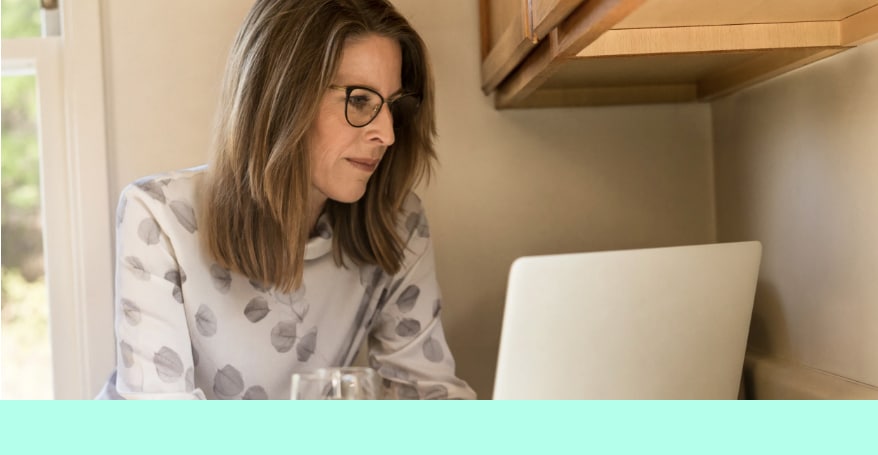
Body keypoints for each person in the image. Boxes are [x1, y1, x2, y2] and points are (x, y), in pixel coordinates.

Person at [96, 0, 475, 399]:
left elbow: (429, 397)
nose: (387, 133)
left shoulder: (398, 224)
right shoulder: (158, 216)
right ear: (281, 98)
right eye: (360, 100)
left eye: (392, 106)